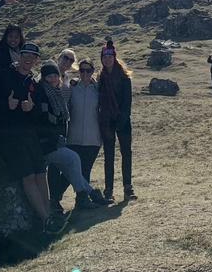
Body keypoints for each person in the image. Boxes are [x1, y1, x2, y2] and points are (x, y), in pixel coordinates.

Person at [0, 43, 64, 235]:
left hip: (29, 135)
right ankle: (46, 220)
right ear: (19, 55)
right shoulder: (3, 75)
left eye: (32, 56)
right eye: (25, 54)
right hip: (7, 136)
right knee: (28, 176)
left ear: (36, 60)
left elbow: (39, 116)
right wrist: (5, 104)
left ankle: (49, 216)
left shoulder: (33, 84)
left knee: (40, 173)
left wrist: (31, 108)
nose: (28, 59)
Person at [35, 61, 109, 212]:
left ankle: (89, 195)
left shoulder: (57, 92)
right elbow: (43, 120)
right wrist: (54, 138)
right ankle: (81, 197)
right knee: (72, 161)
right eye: (49, 76)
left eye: (55, 76)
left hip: (57, 141)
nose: (53, 79)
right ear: (43, 78)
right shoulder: (43, 93)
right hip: (47, 144)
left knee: (71, 170)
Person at [98, 39, 136, 203]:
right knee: (109, 155)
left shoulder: (124, 78)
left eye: (110, 57)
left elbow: (127, 102)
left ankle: (128, 188)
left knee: (126, 153)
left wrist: (122, 119)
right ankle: (108, 190)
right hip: (107, 121)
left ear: (114, 58)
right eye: (104, 57)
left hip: (123, 120)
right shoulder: (101, 78)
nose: (107, 60)